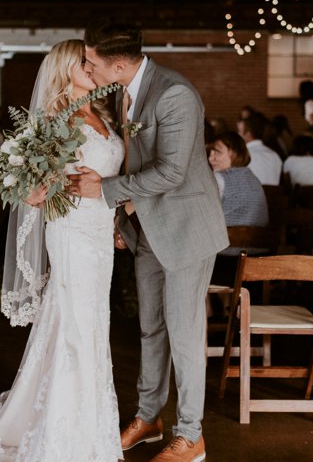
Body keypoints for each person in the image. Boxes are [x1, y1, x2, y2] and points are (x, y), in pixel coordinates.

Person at [0, 39, 126, 461]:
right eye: (83, 62)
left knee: (92, 320)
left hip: (100, 233)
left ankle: (89, 414)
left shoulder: (102, 113)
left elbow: (109, 175)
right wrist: (34, 192)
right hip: (71, 230)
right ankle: (68, 425)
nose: (91, 66)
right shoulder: (51, 119)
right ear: (65, 68)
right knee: (76, 322)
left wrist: (116, 218)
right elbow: (25, 184)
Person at [71, 24, 228, 461]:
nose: (87, 69)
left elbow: (171, 173)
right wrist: (124, 219)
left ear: (119, 65)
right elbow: (135, 156)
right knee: (150, 329)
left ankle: (191, 435)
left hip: (186, 231)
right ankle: (149, 416)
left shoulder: (174, 93)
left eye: (92, 64)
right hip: (147, 230)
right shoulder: (124, 92)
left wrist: (104, 191)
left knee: (183, 333)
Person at [208, 132, 268, 256]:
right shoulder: (254, 179)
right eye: (211, 153)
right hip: (258, 256)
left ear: (235, 154)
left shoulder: (218, 179)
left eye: (217, 152)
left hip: (224, 257)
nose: (210, 158)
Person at [238, 114, 282, 186]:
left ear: (248, 134)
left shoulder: (243, 155)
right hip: (274, 196)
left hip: (251, 196)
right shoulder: (275, 155)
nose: (238, 134)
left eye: (239, 131)